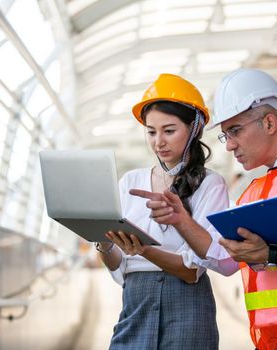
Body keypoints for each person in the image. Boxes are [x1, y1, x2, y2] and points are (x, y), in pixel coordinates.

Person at [131, 68, 277, 350]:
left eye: (235, 131)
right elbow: (225, 261)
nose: (230, 145)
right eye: (225, 136)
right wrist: (181, 220)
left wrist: (270, 254)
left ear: (269, 123)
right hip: (273, 339)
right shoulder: (254, 191)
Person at [94, 73, 234, 349]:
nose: (158, 141)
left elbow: (191, 272)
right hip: (135, 302)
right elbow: (120, 266)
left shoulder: (210, 185)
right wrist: (103, 242)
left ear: (194, 129)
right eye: (151, 131)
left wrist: (144, 249)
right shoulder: (129, 182)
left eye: (169, 130)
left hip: (187, 307)